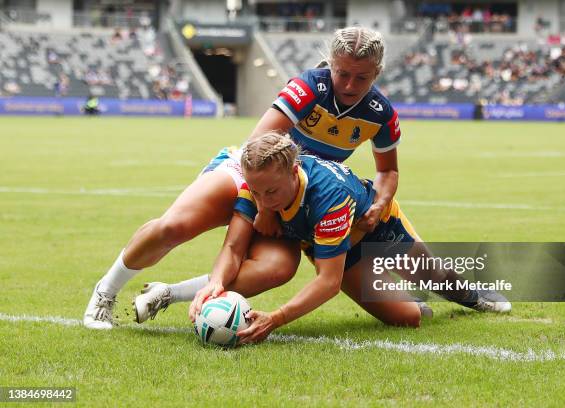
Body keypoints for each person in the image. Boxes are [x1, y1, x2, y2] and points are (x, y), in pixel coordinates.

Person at [85, 26, 410, 329]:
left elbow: (388, 170)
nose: (350, 85)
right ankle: (105, 292)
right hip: (250, 171)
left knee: (278, 268)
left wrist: (381, 202)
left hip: (294, 194)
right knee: (175, 226)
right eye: (343, 74)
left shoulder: (380, 112)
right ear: (332, 65)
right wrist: (265, 207)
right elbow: (256, 145)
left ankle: (169, 293)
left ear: (376, 74)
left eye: (361, 77)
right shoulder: (311, 86)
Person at [186, 133, 510, 343]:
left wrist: (277, 318)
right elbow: (233, 246)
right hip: (343, 251)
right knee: (408, 319)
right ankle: (404, 300)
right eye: (256, 191)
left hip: (380, 228)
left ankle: (470, 294)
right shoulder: (257, 185)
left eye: (271, 191)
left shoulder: (329, 196)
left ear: (293, 170)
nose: (262, 199)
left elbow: (328, 282)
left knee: (435, 276)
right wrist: (217, 282)